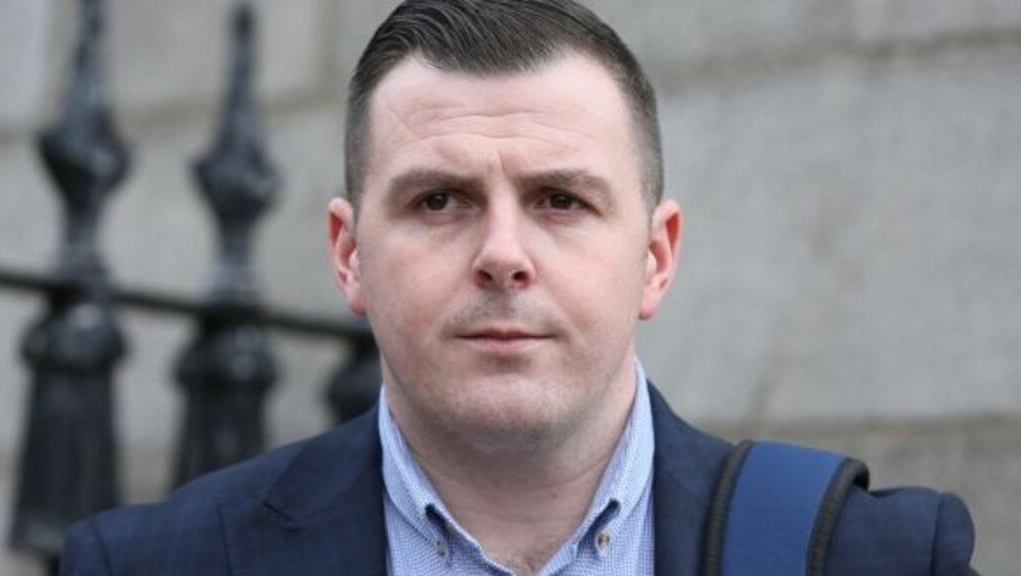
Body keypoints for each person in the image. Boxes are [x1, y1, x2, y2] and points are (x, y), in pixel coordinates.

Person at [61, 1, 979, 575]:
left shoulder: (877, 557)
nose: (503, 253)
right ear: (349, 256)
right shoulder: (156, 564)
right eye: (440, 199)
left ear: (655, 258)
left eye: (561, 200)